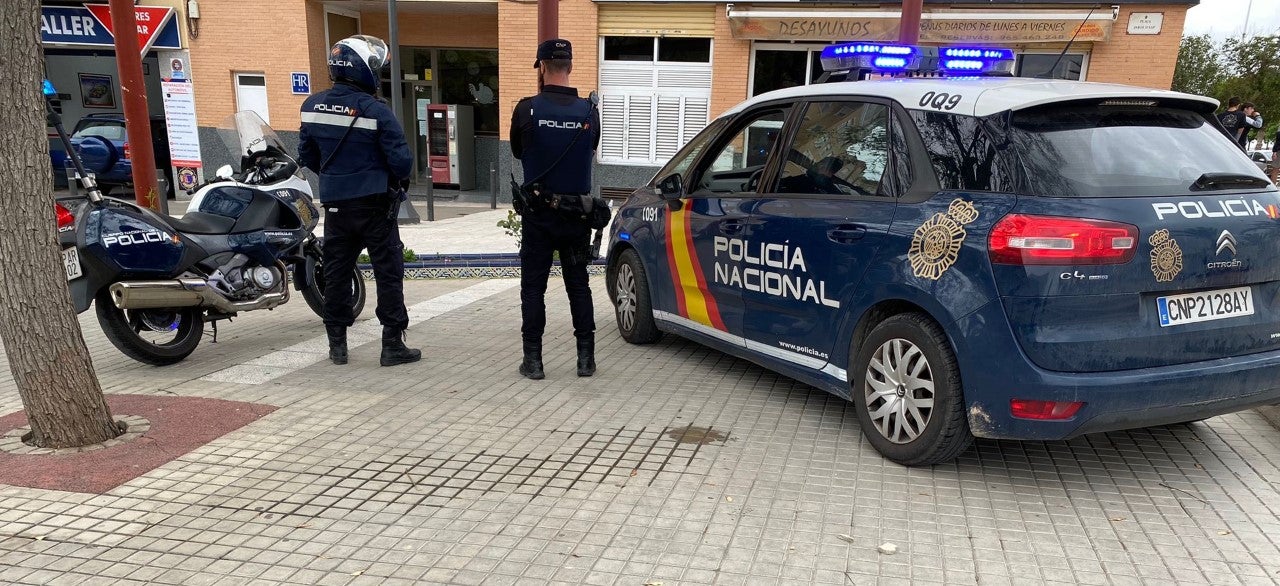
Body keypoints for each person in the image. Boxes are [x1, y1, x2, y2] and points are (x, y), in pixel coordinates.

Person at [298, 35, 421, 368]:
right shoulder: (376, 111)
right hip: (376, 207)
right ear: (364, 69)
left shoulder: (311, 106)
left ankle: (337, 345)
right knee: (388, 273)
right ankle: (392, 345)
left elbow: (307, 155)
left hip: (337, 205)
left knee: (336, 273)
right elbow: (402, 163)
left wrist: (338, 173)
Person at [510, 38, 602, 380]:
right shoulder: (589, 112)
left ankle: (533, 361)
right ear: (571, 66)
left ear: (543, 67)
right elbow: (588, 152)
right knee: (578, 285)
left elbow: (519, 152)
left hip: (538, 217)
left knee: (534, 288)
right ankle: (585, 360)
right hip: (577, 215)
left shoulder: (526, 109)